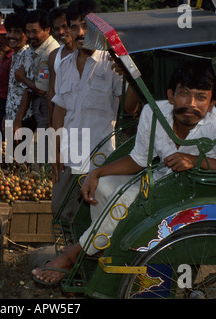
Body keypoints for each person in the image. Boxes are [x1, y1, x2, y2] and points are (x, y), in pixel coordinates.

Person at [32, 60, 216, 284]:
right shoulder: (153, 112)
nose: (191, 104)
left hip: (195, 195)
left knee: (126, 201)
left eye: (201, 97)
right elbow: (139, 159)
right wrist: (97, 173)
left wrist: (197, 161)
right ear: (171, 95)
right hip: (161, 183)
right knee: (104, 186)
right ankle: (101, 248)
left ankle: (74, 255)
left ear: (210, 104)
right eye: (184, 94)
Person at [50, 0, 138, 222]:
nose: (80, 33)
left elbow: (129, 108)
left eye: (85, 26)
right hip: (69, 156)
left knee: (97, 216)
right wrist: (55, 151)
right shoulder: (63, 65)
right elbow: (59, 111)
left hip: (101, 158)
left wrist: (132, 76)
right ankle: (68, 254)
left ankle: (87, 256)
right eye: (74, 26)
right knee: (60, 210)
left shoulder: (112, 63)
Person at [14, 9, 59, 130]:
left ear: (47, 30)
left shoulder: (48, 52)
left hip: (46, 105)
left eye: (35, 32)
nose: (30, 36)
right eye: (27, 32)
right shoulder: (38, 47)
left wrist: (22, 78)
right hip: (39, 105)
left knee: (47, 145)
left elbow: (42, 89)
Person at [3, 13, 37, 133]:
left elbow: (28, 91)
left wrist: (18, 121)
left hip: (24, 120)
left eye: (17, 32)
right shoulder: (15, 54)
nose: (11, 36)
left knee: (18, 152)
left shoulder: (28, 55)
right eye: (9, 31)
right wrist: (7, 116)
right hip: (12, 117)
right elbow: (13, 91)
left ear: (25, 35)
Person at [46, 7, 75, 128]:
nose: (61, 32)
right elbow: (52, 90)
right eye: (57, 29)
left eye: (65, 27)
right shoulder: (54, 56)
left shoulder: (87, 54)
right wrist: (50, 120)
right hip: (60, 116)